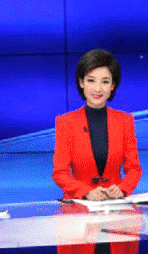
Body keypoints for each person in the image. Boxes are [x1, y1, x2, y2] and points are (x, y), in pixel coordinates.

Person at [53, 49, 142, 201]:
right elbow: (60, 173)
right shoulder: (66, 122)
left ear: (113, 85)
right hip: (79, 203)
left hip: (114, 203)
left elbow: (134, 169)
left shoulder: (125, 120)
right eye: (91, 80)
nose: (98, 89)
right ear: (81, 82)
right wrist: (86, 192)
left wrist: (122, 189)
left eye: (105, 82)